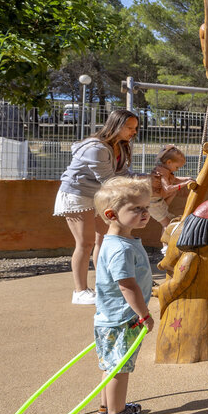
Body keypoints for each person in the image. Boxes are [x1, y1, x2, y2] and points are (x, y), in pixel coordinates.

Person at [53, 109, 139, 306]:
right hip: (77, 193)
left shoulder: (122, 146)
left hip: (99, 195)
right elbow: (109, 180)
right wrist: (138, 185)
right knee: (85, 243)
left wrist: (149, 178)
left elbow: (124, 174)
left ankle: (104, 284)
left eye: (135, 128)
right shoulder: (96, 148)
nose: (133, 132)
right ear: (115, 125)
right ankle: (80, 291)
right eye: (130, 128)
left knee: (105, 238)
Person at [91, 176, 156, 414]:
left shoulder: (115, 242)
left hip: (111, 316)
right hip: (123, 318)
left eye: (146, 207)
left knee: (111, 364)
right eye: (136, 209)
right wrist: (144, 314)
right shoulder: (121, 249)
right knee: (120, 367)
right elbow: (127, 285)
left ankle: (105, 410)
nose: (145, 213)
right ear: (112, 214)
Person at [149, 145, 194, 231]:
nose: (177, 170)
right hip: (153, 203)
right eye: (177, 167)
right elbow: (168, 188)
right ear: (169, 162)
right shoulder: (161, 172)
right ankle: (166, 244)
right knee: (167, 224)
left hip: (158, 201)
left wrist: (187, 179)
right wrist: (184, 184)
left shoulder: (166, 171)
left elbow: (175, 180)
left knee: (170, 221)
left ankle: (164, 207)